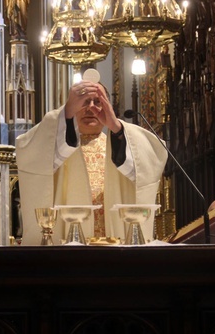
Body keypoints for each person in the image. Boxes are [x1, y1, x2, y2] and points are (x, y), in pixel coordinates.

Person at [16, 74, 168, 245]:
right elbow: (32, 156)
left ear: (109, 107)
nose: (90, 108)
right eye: (83, 102)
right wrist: (66, 113)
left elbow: (149, 165)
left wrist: (116, 128)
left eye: (98, 102)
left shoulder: (121, 143)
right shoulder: (58, 144)